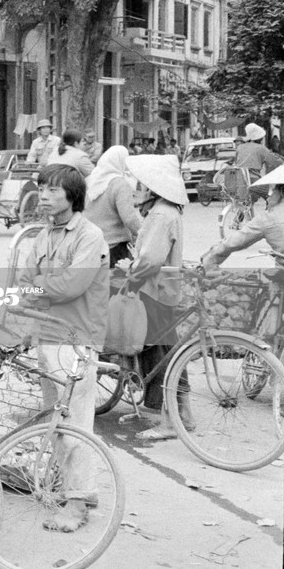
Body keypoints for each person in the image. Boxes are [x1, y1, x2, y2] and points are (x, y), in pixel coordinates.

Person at [14, 164, 109, 533]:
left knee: (75, 424)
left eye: (53, 190)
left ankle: (78, 503)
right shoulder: (42, 236)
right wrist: (39, 285)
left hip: (76, 338)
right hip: (47, 335)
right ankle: (76, 490)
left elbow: (72, 286)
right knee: (56, 421)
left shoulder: (90, 236)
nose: (44, 195)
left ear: (72, 196)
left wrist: (39, 285)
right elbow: (24, 281)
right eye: (41, 188)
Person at [123, 155, 193, 442]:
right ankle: (184, 414)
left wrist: (130, 274)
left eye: (141, 185)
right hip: (165, 291)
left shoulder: (160, 215)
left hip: (154, 292)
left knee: (161, 356)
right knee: (172, 352)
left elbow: (150, 259)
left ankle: (168, 421)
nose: (136, 190)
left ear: (153, 189)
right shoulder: (168, 211)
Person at [201, 163, 284, 267]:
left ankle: (240, 215)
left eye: (273, 191)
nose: (269, 196)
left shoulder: (269, 217)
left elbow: (234, 242)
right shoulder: (263, 150)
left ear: (281, 191)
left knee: (247, 201)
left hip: (246, 181)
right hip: (248, 179)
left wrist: (210, 257)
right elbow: (273, 160)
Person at [83, 146, 142, 266]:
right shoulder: (120, 184)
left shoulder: (89, 181)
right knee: (114, 282)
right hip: (114, 246)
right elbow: (129, 218)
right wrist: (142, 234)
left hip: (90, 244)